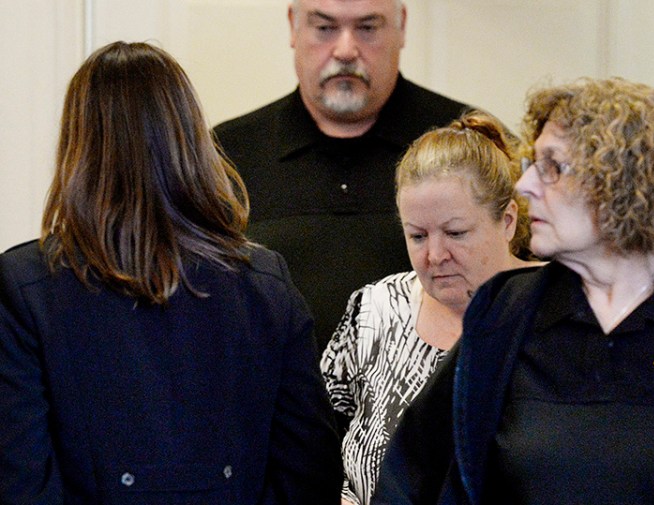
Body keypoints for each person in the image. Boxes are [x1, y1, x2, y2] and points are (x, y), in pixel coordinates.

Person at [373, 77, 654, 505]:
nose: (525, 184)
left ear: (622, 182)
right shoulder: (506, 312)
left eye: (551, 167)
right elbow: (409, 479)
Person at [0, 41, 342, 504]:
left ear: (76, 146)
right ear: (189, 139)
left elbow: (20, 482)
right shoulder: (265, 283)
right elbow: (308, 473)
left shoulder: (25, 287)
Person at [213, 0, 476, 351]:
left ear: (402, 28)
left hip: (437, 402)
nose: (346, 50)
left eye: (368, 28)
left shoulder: (471, 147)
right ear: (293, 26)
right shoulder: (224, 157)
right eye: (325, 28)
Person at [321, 110, 539, 505]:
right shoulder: (376, 309)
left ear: (507, 221)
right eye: (417, 236)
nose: (435, 255)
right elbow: (314, 450)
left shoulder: (556, 309)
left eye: (456, 233)